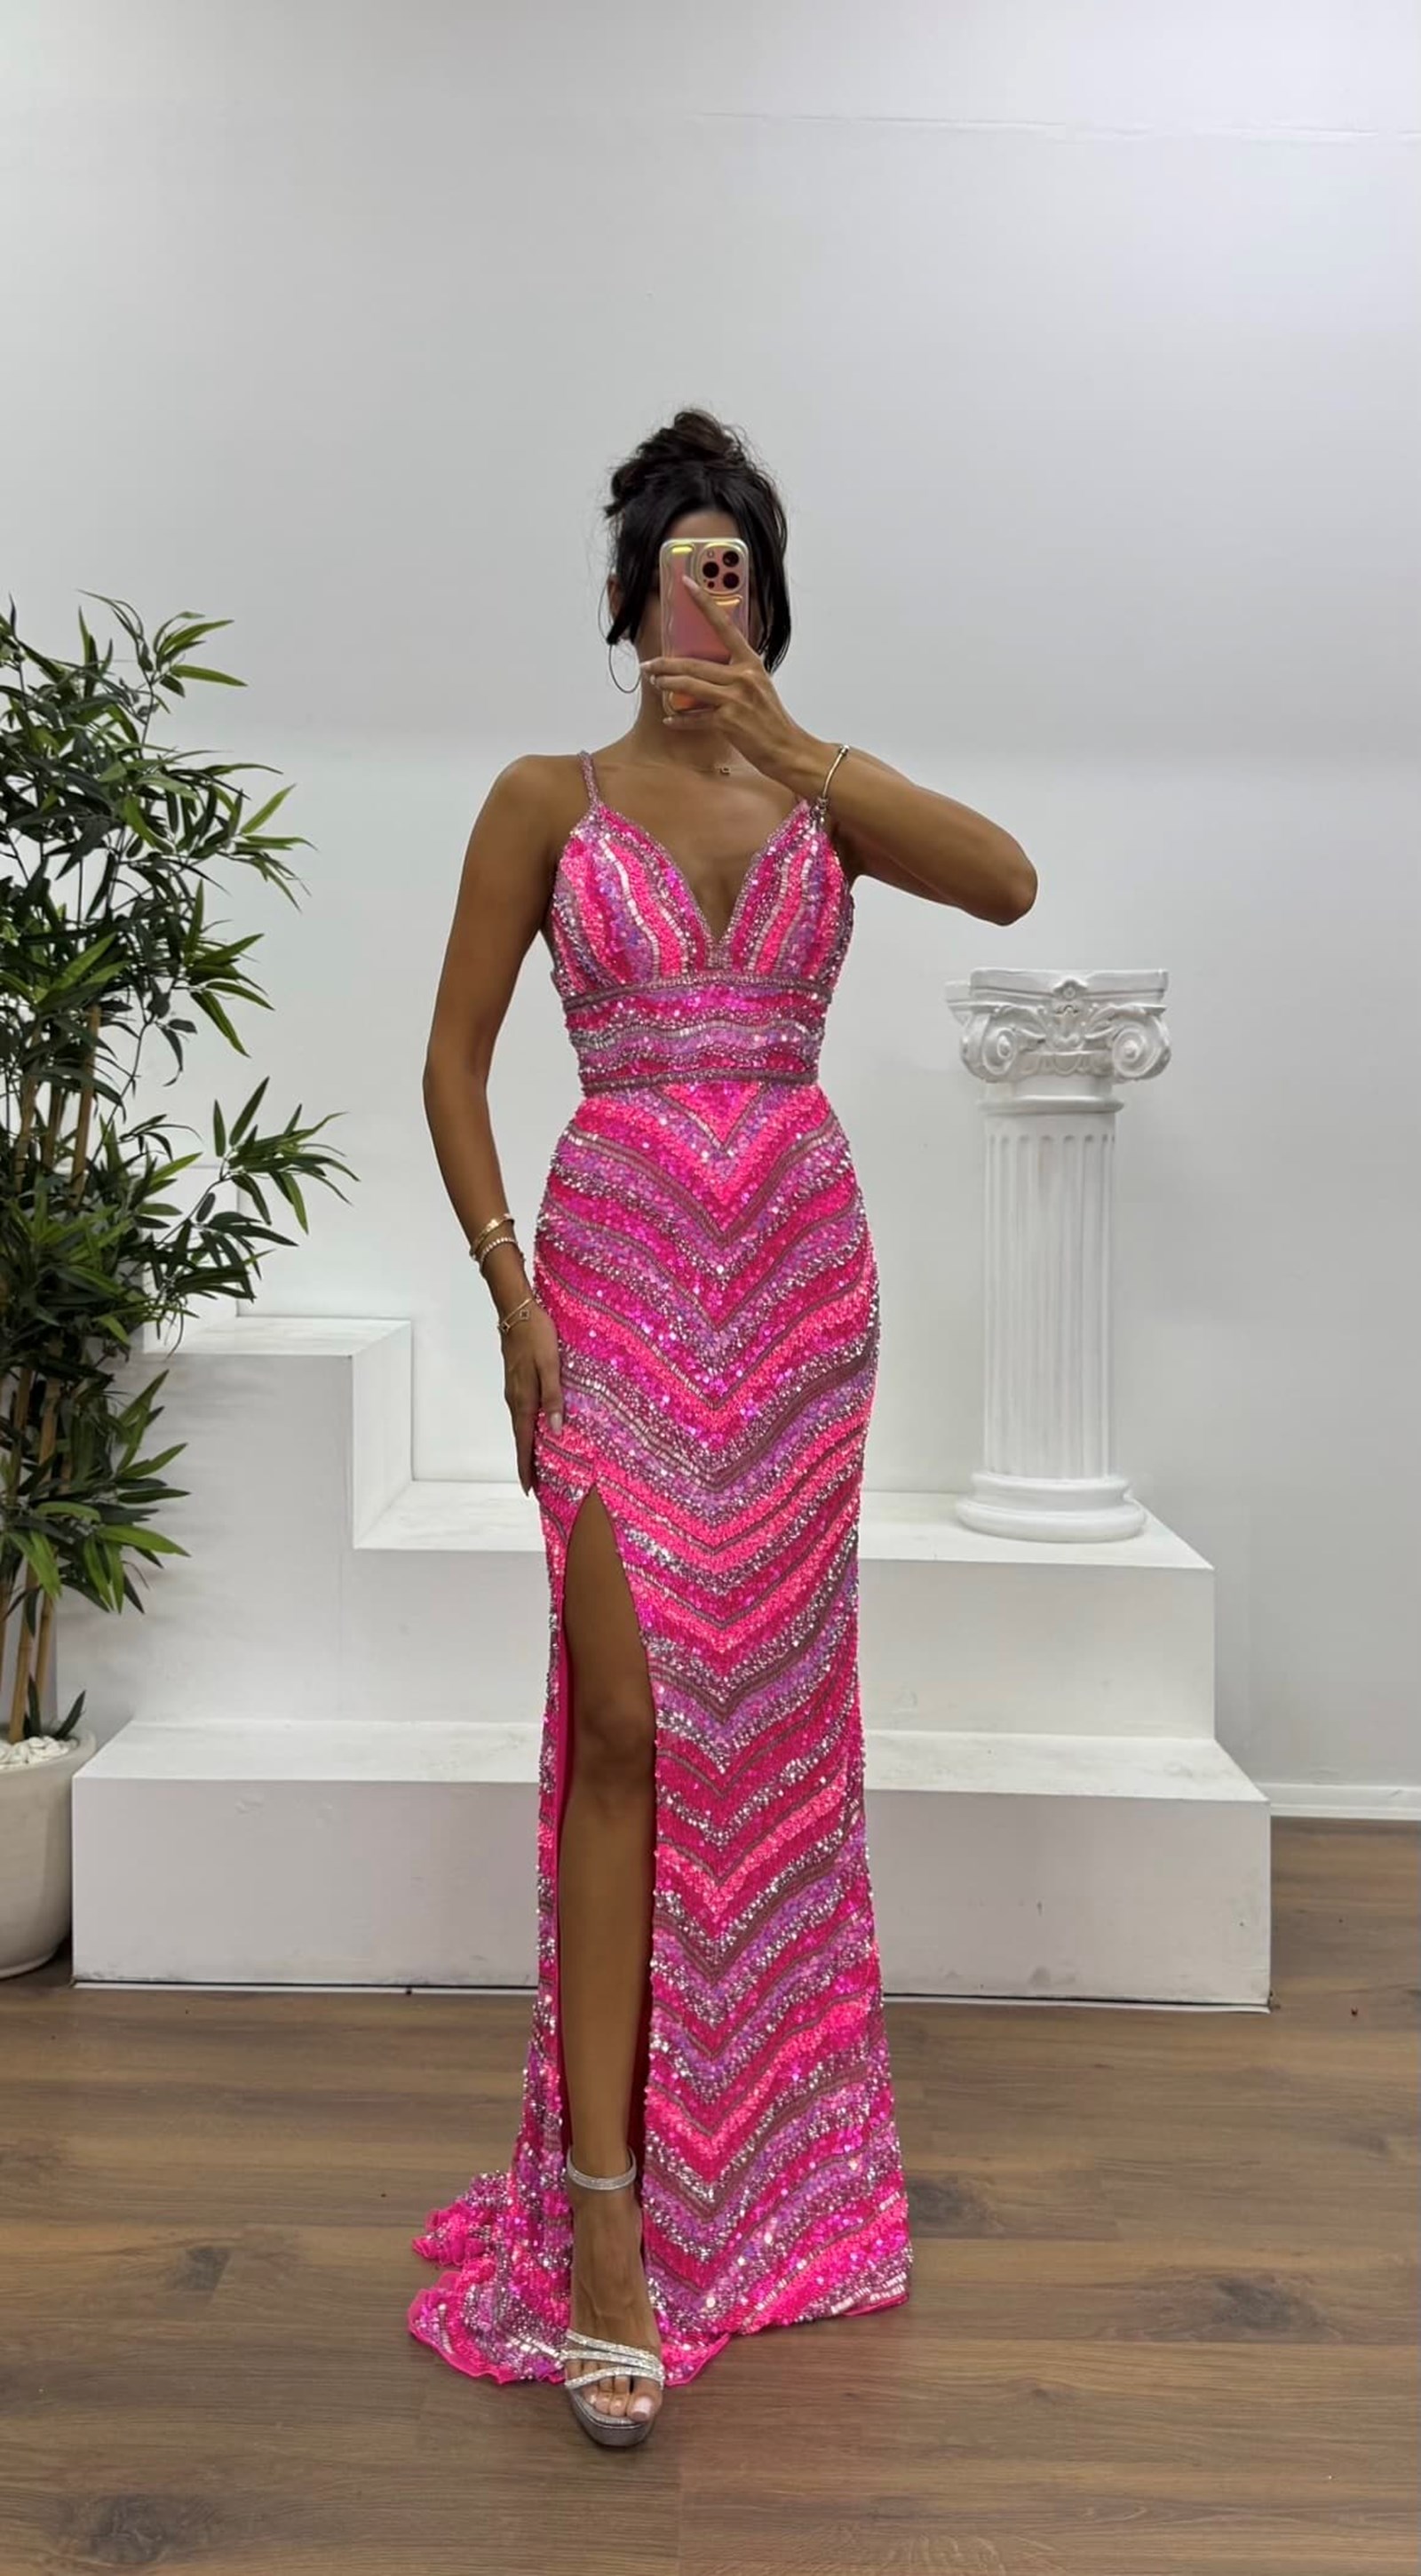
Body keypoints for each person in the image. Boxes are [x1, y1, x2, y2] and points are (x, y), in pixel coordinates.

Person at [409, 408, 1036, 2448]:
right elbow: (451, 1061)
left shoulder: (815, 793)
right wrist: (508, 1294)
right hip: (605, 1289)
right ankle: (605, 2225)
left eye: (739, 566)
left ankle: (748, 2166)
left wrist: (794, 747)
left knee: (762, 1743)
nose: (709, 591)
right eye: (683, 562)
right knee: (620, 1724)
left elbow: (1006, 882)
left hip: (794, 1301)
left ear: (765, 601)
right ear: (622, 597)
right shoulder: (542, 798)